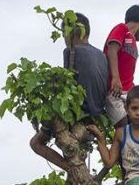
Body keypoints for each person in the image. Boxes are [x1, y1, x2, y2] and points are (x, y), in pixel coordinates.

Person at [30, 12, 109, 172]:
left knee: (36, 143)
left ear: (68, 34)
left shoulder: (71, 52)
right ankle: (73, 170)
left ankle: (70, 168)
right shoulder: (101, 55)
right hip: (97, 110)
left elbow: (68, 85)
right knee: (72, 148)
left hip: (79, 111)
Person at [102, 4, 139, 128]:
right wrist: (115, 77)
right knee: (123, 126)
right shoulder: (122, 29)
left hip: (129, 89)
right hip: (114, 90)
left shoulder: (134, 43)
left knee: (138, 124)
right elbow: (112, 50)